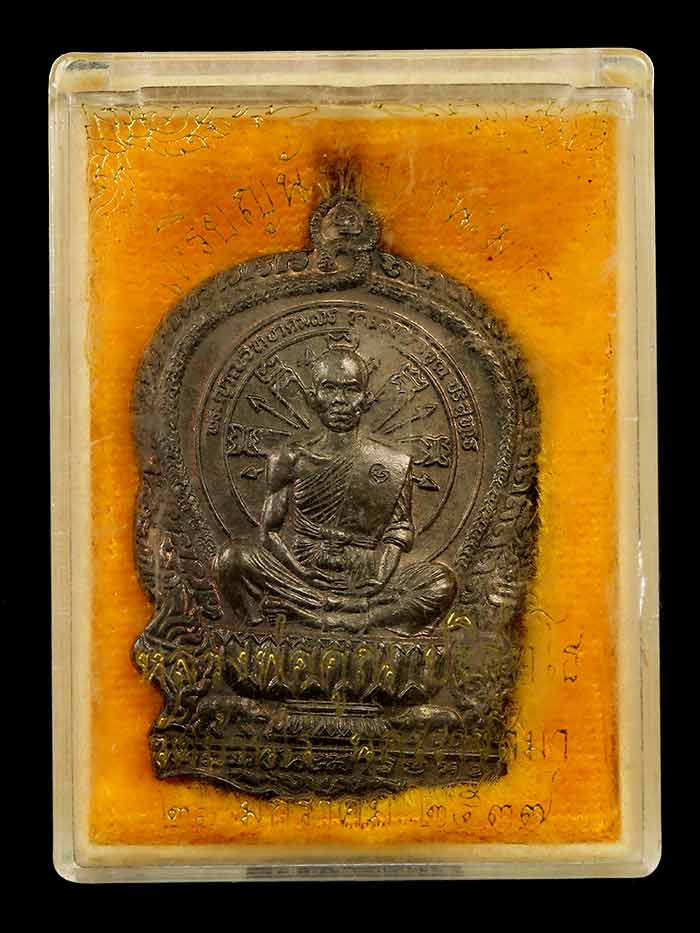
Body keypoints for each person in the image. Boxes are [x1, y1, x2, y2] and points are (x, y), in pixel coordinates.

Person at [216, 342, 456, 634]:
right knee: (232, 558)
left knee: (440, 581)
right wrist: (302, 571)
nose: (339, 400)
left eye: (351, 390)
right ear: (313, 398)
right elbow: (269, 532)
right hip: (302, 575)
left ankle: (335, 616)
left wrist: (378, 581)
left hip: (366, 579)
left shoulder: (391, 463)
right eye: (329, 388)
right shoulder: (289, 458)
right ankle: (322, 612)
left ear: (365, 399)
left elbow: (399, 532)